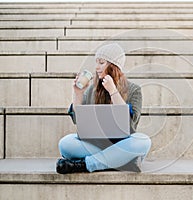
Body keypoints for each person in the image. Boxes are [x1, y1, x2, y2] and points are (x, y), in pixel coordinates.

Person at [56, 43, 151, 174]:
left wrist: (113, 91)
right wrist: (77, 94)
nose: (97, 67)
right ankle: (121, 161)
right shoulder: (92, 90)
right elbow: (79, 121)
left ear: (113, 66)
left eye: (101, 62)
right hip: (97, 145)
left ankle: (86, 164)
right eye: (96, 62)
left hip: (123, 144)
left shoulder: (134, 90)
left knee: (143, 141)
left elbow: (130, 123)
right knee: (65, 144)